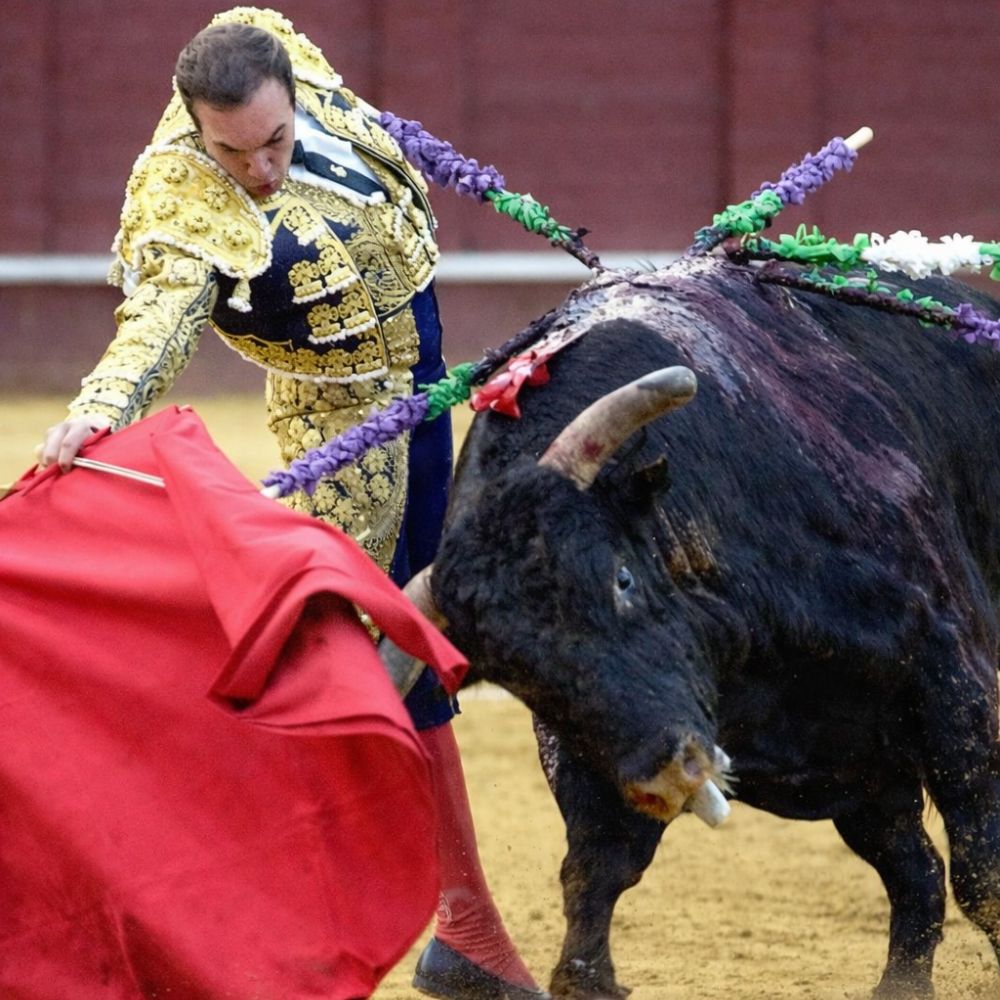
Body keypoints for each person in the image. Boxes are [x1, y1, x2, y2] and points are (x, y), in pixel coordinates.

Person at [36, 8, 545, 1000]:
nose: (260, 170)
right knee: (384, 657)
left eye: (274, 140)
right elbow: (156, 323)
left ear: (292, 92)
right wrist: (99, 411)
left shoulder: (273, 42)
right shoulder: (180, 196)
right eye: (233, 153)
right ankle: (458, 923)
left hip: (422, 390)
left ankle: (461, 924)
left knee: (427, 635)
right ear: (195, 126)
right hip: (348, 435)